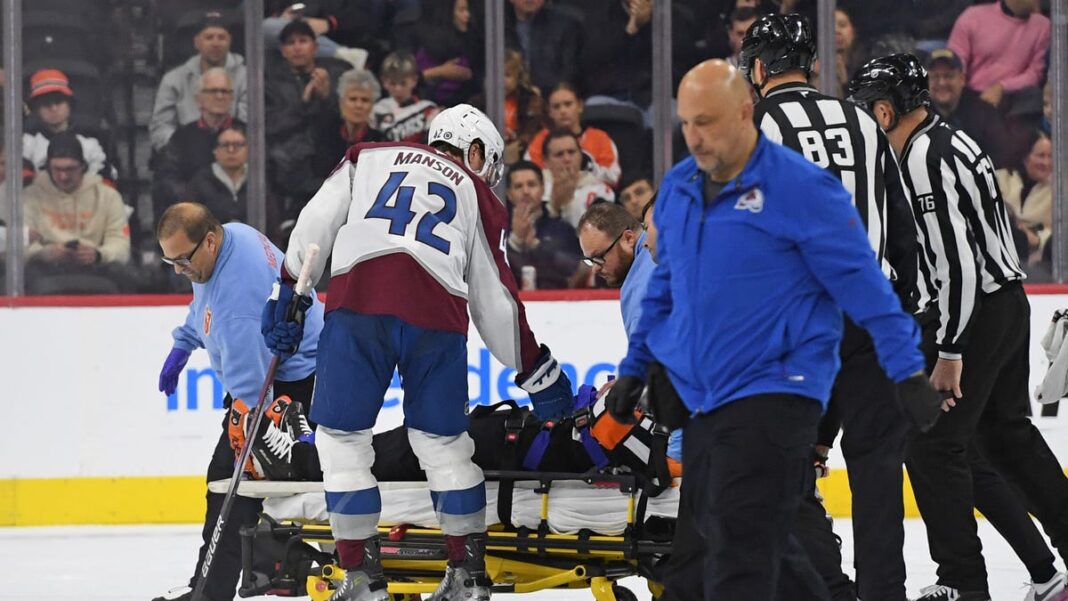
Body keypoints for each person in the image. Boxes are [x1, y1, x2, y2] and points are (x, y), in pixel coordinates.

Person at [605, 59, 937, 601]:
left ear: (744, 112)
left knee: (741, 546)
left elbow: (863, 282)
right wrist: (635, 369)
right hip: (710, 394)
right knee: (700, 553)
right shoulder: (684, 187)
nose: (695, 135)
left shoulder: (801, 187)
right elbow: (668, 283)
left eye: (706, 121)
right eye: (687, 123)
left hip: (781, 387)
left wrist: (905, 370)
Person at [261, 104, 576, 601]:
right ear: (474, 151)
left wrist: (289, 292)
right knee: (445, 446)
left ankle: (362, 579)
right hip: (437, 316)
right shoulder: (476, 195)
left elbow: (314, 224)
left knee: (342, 443)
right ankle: (469, 577)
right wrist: (535, 369)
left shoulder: (366, 156)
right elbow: (495, 300)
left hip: (360, 303)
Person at [847, 53, 1068, 601]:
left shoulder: (922, 157)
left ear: (882, 110)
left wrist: (949, 350)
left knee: (933, 445)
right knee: (1005, 437)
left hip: (975, 314)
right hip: (1005, 303)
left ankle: (963, 583)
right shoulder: (949, 137)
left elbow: (958, 266)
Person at [740, 14, 920, 601]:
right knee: (876, 469)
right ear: (813, 66)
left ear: (759, 70)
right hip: (872, 309)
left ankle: (818, 588)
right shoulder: (864, 123)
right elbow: (902, 231)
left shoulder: (756, 123)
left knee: (781, 467)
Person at [151, 202, 324, 601]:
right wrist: (184, 343)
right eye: (169, 260)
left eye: (181, 260)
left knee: (233, 484)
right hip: (281, 376)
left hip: (285, 388)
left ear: (208, 241)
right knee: (233, 483)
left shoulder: (237, 305)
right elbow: (202, 305)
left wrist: (249, 437)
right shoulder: (228, 238)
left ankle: (211, 593)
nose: (178, 270)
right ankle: (211, 587)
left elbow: (251, 390)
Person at [23, 132, 132, 294]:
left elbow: (120, 243)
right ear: (47, 168)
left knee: (126, 274)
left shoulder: (107, 196)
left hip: (95, 265)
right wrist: (46, 253)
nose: (63, 176)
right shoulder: (29, 196)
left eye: (70, 169)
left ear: (83, 166)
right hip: (46, 267)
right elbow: (19, 243)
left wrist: (98, 254)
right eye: (57, 169)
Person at [265, 19, 348, 201]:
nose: (297, 47)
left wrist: (327, 96)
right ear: (282, 51)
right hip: (288, 168)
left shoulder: (338, 73)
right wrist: (304, 103)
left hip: (330, 162)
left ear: (315, 47)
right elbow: (271, 125)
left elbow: (347, 122)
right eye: (290, 43)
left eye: (303, 41)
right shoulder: (269, 82)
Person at [153, 68, 244, 219]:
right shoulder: (181, 138)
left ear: (232, 98)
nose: (220, 96)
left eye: (225, 91)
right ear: (198, 99)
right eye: (213, 91)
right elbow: (168, 179)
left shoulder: (246, 134)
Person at [150, 11, 248, 151]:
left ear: (230, 41)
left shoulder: (247, 77)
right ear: (197, 42)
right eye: (209, 37)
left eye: (221, 37)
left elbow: (248, 125)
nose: (215, 43)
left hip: (232, 153)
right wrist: (185, 148)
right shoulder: (173, 80)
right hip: (186, 156)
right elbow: (160, 128)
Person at [947, 0, 1050, 111]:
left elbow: (1035, 74)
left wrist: (1001, 87)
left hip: (1014, 99)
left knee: (1033, 96)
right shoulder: (972, 17)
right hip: (971, 96)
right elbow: (954, 63)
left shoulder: (1043, 26)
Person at [925, 48, 1017, 169]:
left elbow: (1001, 158)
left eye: (949, 76)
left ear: (962, 79)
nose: (942, 83)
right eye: (935, 77)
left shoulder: (984, 114)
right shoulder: (915, 116)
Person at [23, 69, 119, 185]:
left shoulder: (93, 140)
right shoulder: (25, 143)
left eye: (58, 101)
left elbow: (107, 183)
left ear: (70, 104)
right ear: (36, 109)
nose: (53, 108)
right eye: (45, 103)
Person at [505, 161, 585, 290]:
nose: (526, 191)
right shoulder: (496, 229)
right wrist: (515, 241)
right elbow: (490, 272)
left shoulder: (562, 229)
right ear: (509, 194)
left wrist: (537, 246)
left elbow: (575, 268)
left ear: (542, 189)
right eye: (518, 186)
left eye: (531, 184)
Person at [525, 83, 622, 188]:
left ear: (580, 106)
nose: (562, 111)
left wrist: (589, 167)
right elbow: (528, 177)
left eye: (568, 104)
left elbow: (613, 178)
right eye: (556, 107)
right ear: (550, 112)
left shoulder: (600, 138)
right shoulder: (539, 141)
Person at [312, 69, 387, 179]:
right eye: (352, 99)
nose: (358, 105)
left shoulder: (380, 142)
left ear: (372, 106)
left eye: (365, 100)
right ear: (341, 103)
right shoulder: (325, 135)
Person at [997, 129, 1053, 267]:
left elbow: (1061, 234)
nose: (1046, 162)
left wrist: (1037, 239)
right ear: (1025, 156)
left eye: (1050, 156)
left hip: (1041, 262)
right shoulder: (999, 179)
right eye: (1041, 156)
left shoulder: (1059, 190)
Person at [540, 130, 616, 228]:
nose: (567, 159)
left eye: (571, 152)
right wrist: (555, 205)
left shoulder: (597, 188)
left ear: (581, 156)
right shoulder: (536, 187)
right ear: (546, 161)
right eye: (559, 154)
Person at [415, 0, 481, 107]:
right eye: (462, 10)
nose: (467, 15)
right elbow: (409, 79)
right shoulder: (425, 44)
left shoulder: (472, 39)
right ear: (448, 12)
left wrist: (469, 75)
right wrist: (441, 72)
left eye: (468, 10)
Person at [184, 124, 251, 226]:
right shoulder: (199, 184)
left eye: (237, 145)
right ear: (215, 150)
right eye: (225, 145)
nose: (231, 150)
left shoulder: (258, 180)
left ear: (248, 149)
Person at [371, 51, 439, 144]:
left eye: (403, 83)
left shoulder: (428, 109)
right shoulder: (376, 110)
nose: (398, 89)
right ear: (384, 81)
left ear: (414, 80)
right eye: (392, 83)